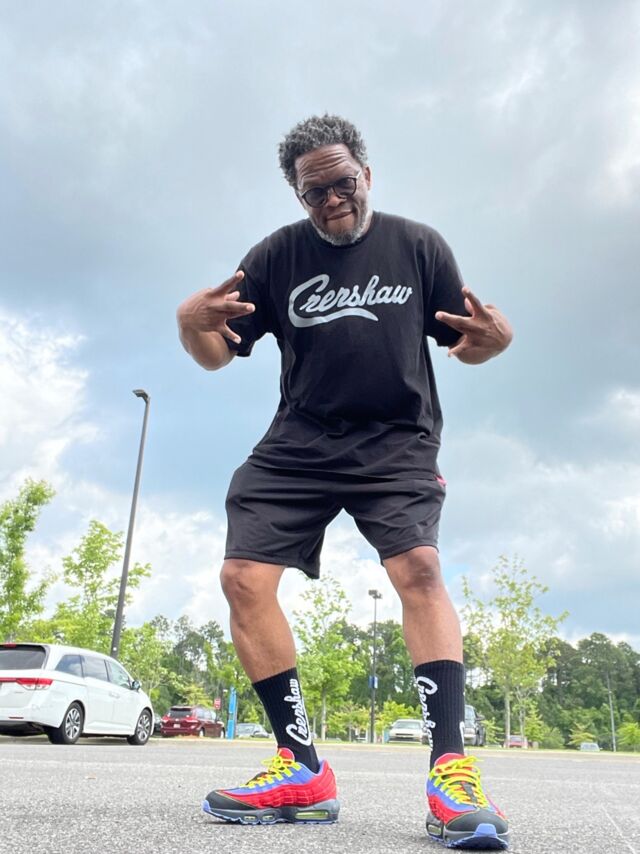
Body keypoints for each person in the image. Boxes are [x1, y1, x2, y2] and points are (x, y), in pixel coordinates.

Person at [177, 114, 513, 850]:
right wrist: (189, 323)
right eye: (314, 192)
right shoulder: (275, 257)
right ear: (297, 196)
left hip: (397, 438)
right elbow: (215, 355)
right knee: (241, 578)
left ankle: (452, 772)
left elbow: (468, 343)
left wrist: (497, 342)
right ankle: (300, 770)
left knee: (418, 567)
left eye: (342, 183)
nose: (331, 201)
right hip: (300, 440)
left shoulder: (417, 246)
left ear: (367, 174)